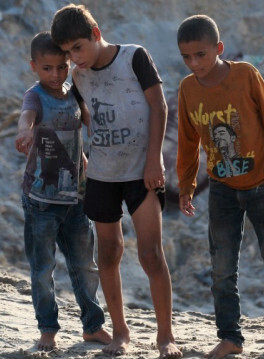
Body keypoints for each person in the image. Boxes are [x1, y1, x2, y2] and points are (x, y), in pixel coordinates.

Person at [50, 4, 182, 358]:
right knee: (108, 252)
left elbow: (160, 106)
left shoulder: (134, 57)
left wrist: (155, 159)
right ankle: (120, 331)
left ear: (95, 33)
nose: (74, 58)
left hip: (142, 172)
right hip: (103, 174)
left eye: (77, 47)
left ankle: (165, 335)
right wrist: (84, 159)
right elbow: (81, 120)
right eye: (66, 53)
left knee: (151, 254)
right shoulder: (78, 76)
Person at [175, 15, 264, 358]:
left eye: (200, 55)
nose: (194, 63)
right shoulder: (187, 88)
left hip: (262, 183)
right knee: (221, 268)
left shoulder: (246, 75)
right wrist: (186, 185)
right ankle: (230, 336)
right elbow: (187, 143)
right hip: (221, 189)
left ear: (219, 49)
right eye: (186, 57)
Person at [15, 31, 111, 352]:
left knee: (84, 264)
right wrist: (24, 132)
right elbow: (26, 118)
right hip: (42, 200)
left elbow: (86, 123)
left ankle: (93, 326)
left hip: (76, 196)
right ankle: (47, 329)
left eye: (61, 67)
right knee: (43, 268)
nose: (55, 75)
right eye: (47, 69)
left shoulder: (74, 91)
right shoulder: (35, 97)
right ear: (34, 67)